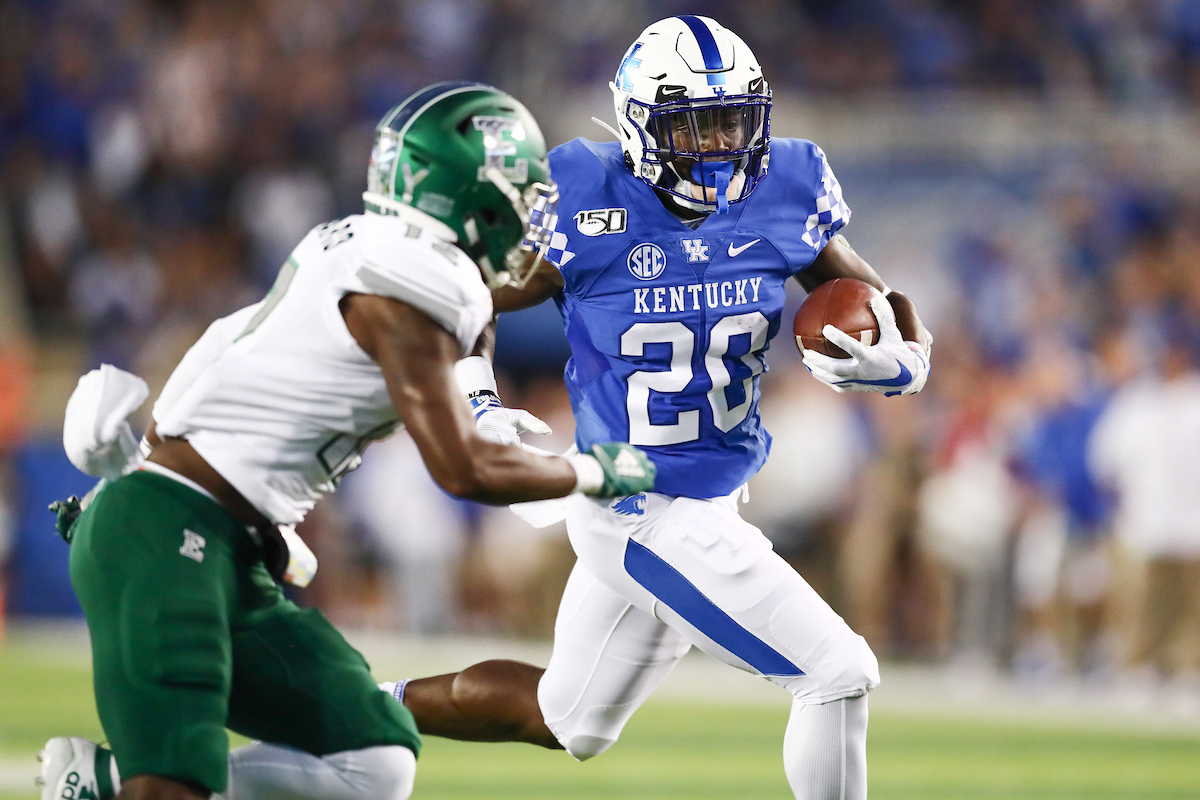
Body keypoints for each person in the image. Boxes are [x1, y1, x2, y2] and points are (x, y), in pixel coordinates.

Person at [38, 82, 654, 800]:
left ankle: (103, 784)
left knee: (376, 758)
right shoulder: (408, 285)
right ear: (466, 192)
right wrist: (592, 471)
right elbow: (462, 470)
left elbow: (223, 348)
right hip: (174, 529)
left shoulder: (368, 247)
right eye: (516, 191)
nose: (528, 210)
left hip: (219, 536)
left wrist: (481, 404)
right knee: (174, 783)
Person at [385, 17, 932, 800]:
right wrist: (478, 401)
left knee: (566, 720)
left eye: (734, 120)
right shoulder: (581, 196)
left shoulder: (787, 186)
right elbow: (464, 300)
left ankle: (359, 709)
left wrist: (902, 363)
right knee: (838, 673)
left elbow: (880, 306)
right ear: (639, 126)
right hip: (632, 502)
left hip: (713, 504)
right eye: (695, 124)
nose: (719, 145)